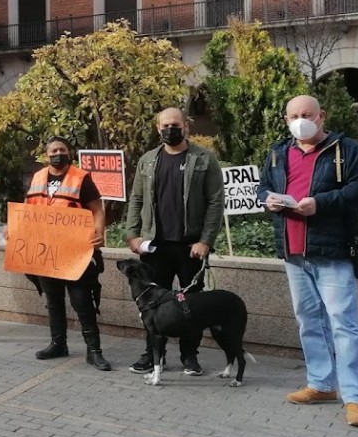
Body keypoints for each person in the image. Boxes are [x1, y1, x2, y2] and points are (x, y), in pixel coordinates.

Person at [257, 95, 358, 428]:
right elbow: (263, 186)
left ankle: (356, 398)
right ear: (286, 120)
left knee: (344, 325)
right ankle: (321, 384)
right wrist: (268, 200)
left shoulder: (345, 149)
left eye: (306, 114)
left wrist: (320, 204)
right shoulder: (278, 153)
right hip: (294, 253)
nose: (300, 120)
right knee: (309, 321)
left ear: (321, 116)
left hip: (333, 253)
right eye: (293, 115)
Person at [125, 107, 224, 376]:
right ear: (158, 129)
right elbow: (136, 199)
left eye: (175, 124)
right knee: (152, 303)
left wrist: (205, 240)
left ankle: (189, 356)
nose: (170, 129)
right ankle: (153, 355)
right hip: (155, 246)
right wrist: (133, 234)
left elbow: (216, 202)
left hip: (190, 246)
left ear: (186, 127)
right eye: (165, 125)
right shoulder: (147, 160)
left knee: (191, 304)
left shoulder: (204, 159)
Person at [21, 137, 110, 370]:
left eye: (62, 149)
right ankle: (58, 343)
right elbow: (28, 209)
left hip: (75, 251)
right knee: (53, 300)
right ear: (46, 154)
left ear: (68, 153)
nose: (58, 153)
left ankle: (94, 350)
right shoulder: (38, 177)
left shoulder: (80, 178)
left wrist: (99, 232)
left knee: (81, 300)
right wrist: (14, 229)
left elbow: (96, 208)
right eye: (53, 150)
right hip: (46, 252)